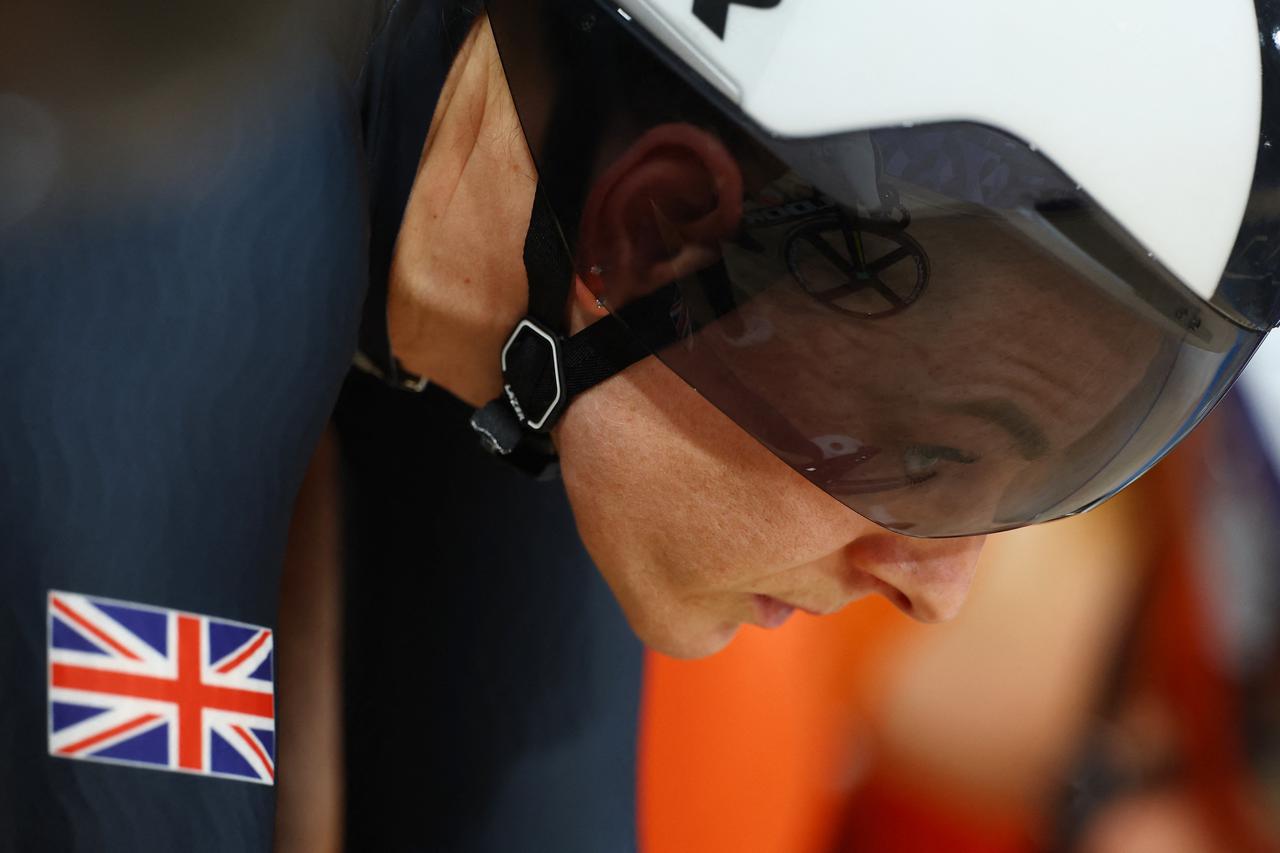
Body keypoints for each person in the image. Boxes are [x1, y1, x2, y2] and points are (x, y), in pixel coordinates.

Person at [3, 1, 1277, 851]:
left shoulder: (585, 356)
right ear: (658, 222)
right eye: (931, 456)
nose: (937, 586)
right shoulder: (171, 189)